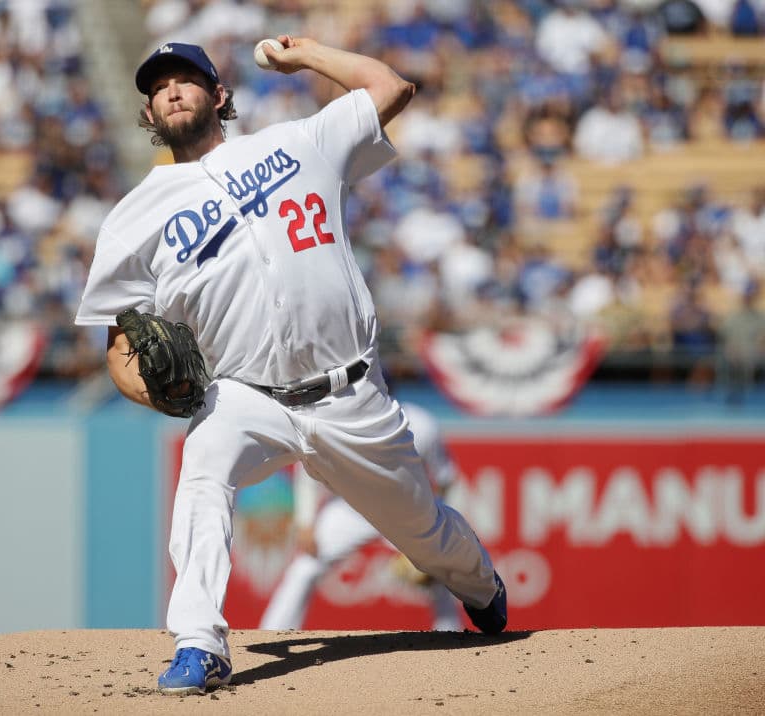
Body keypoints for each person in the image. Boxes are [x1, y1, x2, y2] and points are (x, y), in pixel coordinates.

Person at [73, 36, 507, 697]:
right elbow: (118, 343)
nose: (170, 90)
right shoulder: (133, 217)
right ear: (148, 114)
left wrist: (305, 54)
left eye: (185, 78)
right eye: (157, 86)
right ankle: (199, 643)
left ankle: (481, 584)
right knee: (202, 470)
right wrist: (151, 391)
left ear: (219, 96)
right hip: (246, 397)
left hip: (349, 393)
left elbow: (390, 88)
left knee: (424, 534)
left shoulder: (296, 143)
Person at [259, 402, 464, 633]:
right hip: (351, 508)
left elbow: (445, 478)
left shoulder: (421, 424)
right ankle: (272, 633)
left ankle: (453, 636)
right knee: (305, 567)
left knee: (438, 570)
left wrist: (433, 524)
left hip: (405, 509)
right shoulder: (336, 419)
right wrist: (306, 523)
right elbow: (307, 471)